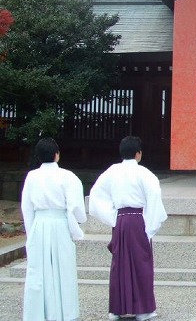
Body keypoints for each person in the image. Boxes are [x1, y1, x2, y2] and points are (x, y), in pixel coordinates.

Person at [89, 136, 167, 321]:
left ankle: (116, 310)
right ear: (138, 153)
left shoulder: (111, 172)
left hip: (121, 219)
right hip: (138, 219)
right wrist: (151, 226)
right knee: (142, 264)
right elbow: (155, 197)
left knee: (120, 263)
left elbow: (96, 195)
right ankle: (143, 310)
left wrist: (112, 217)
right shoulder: (145, 174)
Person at [21, 137, 87, 321]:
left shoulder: (32, 177)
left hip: (39, 224)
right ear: (57, 155)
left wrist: (31, 231)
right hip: (60, 224)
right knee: (63, 270)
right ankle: (65, 313)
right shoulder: (68, 176)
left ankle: (38, 314)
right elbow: (75, 207)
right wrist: (78, 224)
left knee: (39, 271)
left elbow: (26, 207)